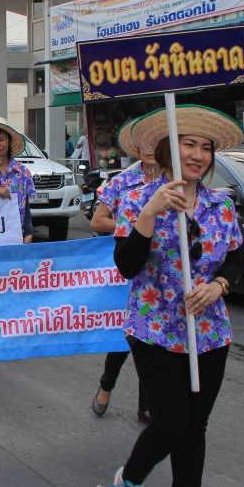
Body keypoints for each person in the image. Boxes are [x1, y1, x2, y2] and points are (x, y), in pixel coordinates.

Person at [103, 105, 244, 487]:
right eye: (189, 144)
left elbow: (235, 256)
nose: (198, 155)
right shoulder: (136, 200)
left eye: (206, 148)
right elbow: (127, 266)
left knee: (195, 426)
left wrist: (219, 285)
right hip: (155, 329)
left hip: (210, 332)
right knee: (169, 423)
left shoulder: (221, 205)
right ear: (167, 149)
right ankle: (129, 481)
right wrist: (150, 213)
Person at [88, 120, 154, 422]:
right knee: (127, 336)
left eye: (157, 143)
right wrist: (138, 228)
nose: (150, 149)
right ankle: (106, 385)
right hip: (128, 268)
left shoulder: (175, 181)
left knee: (152, 340)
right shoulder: (123, 182)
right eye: (145, 143)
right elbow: (97, 221)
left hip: (161, 274)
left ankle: (146, 404)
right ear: (136, 148)